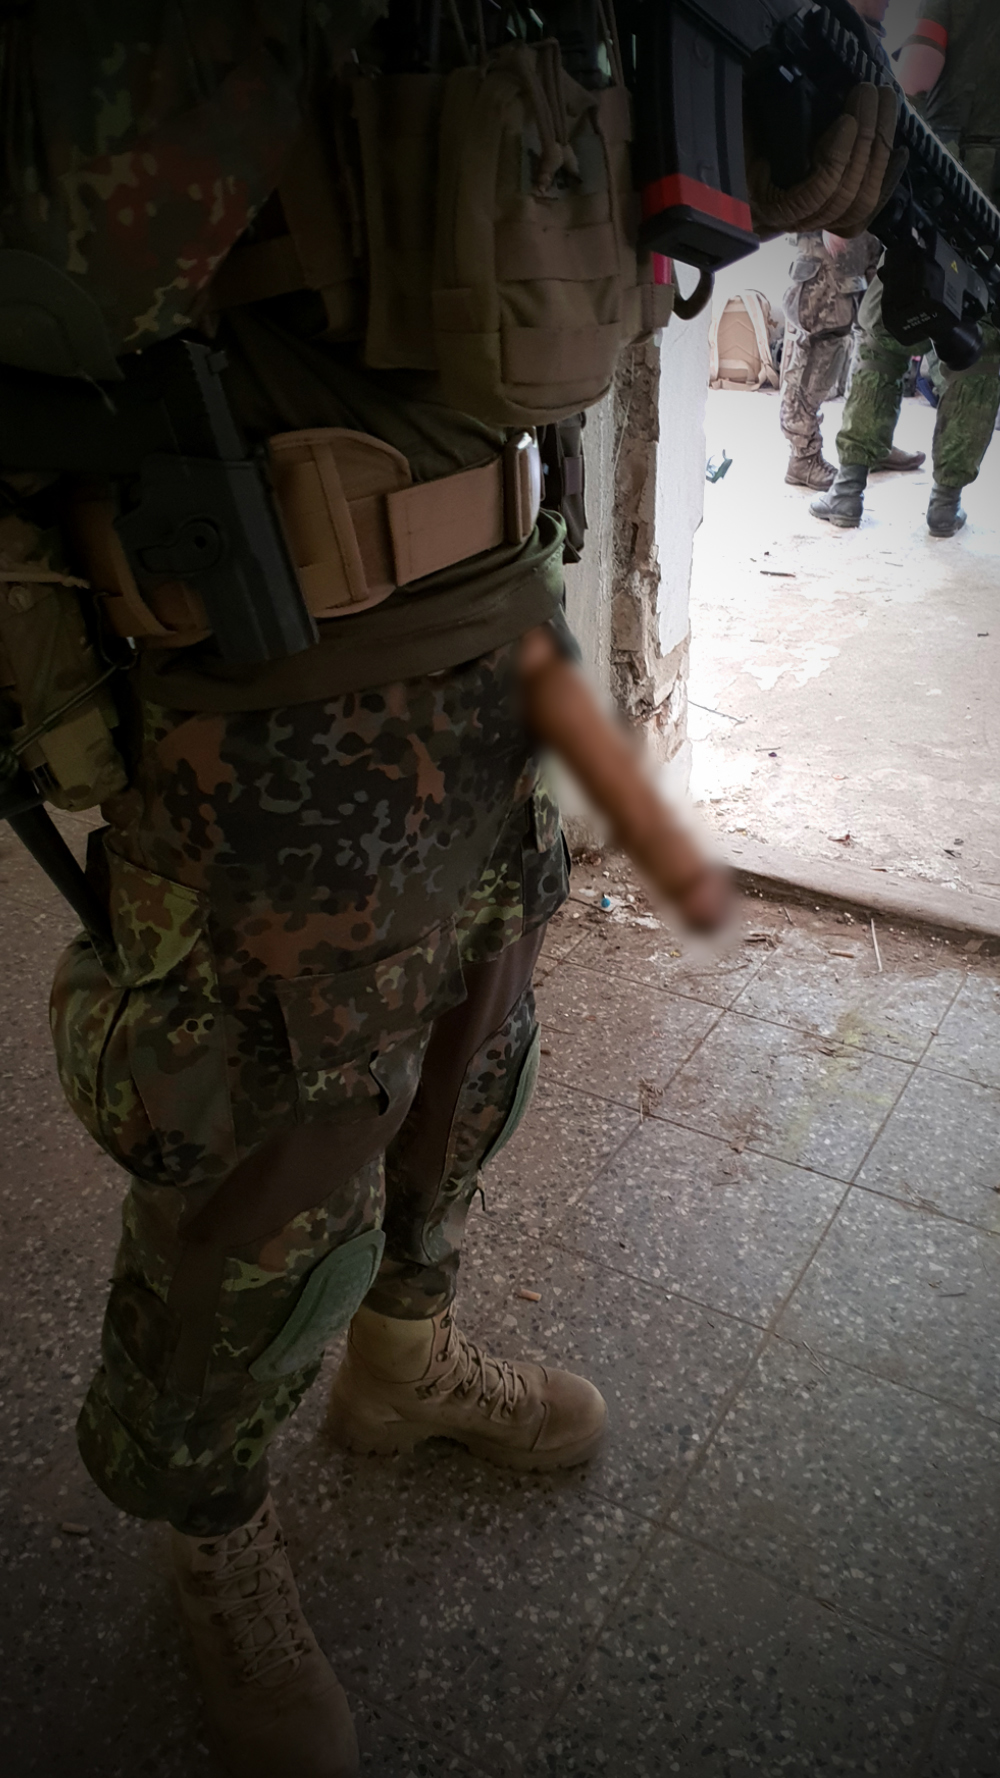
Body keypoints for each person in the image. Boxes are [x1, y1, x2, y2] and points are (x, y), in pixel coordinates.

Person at [0, 5, 902, 1773]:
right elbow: (75, 264)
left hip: (489, 614)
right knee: (273, 1118)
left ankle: (401, 1356)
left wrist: (734, 176)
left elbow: (543, 282)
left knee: (480, 1017)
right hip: (262, 661)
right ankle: (209, 1518)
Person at [812, 0, 1000, 535]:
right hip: (995, 206)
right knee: (981, 352)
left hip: (947, 180)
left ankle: (848, 490)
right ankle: (945, 503)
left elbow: (916, 74)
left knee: (889, 327)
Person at [779, 225, 926, 488]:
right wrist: (832, 221)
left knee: (877, 333)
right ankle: (803, 457)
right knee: (821, 340)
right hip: (835, 228)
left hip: (875, 229)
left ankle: (869, 443)